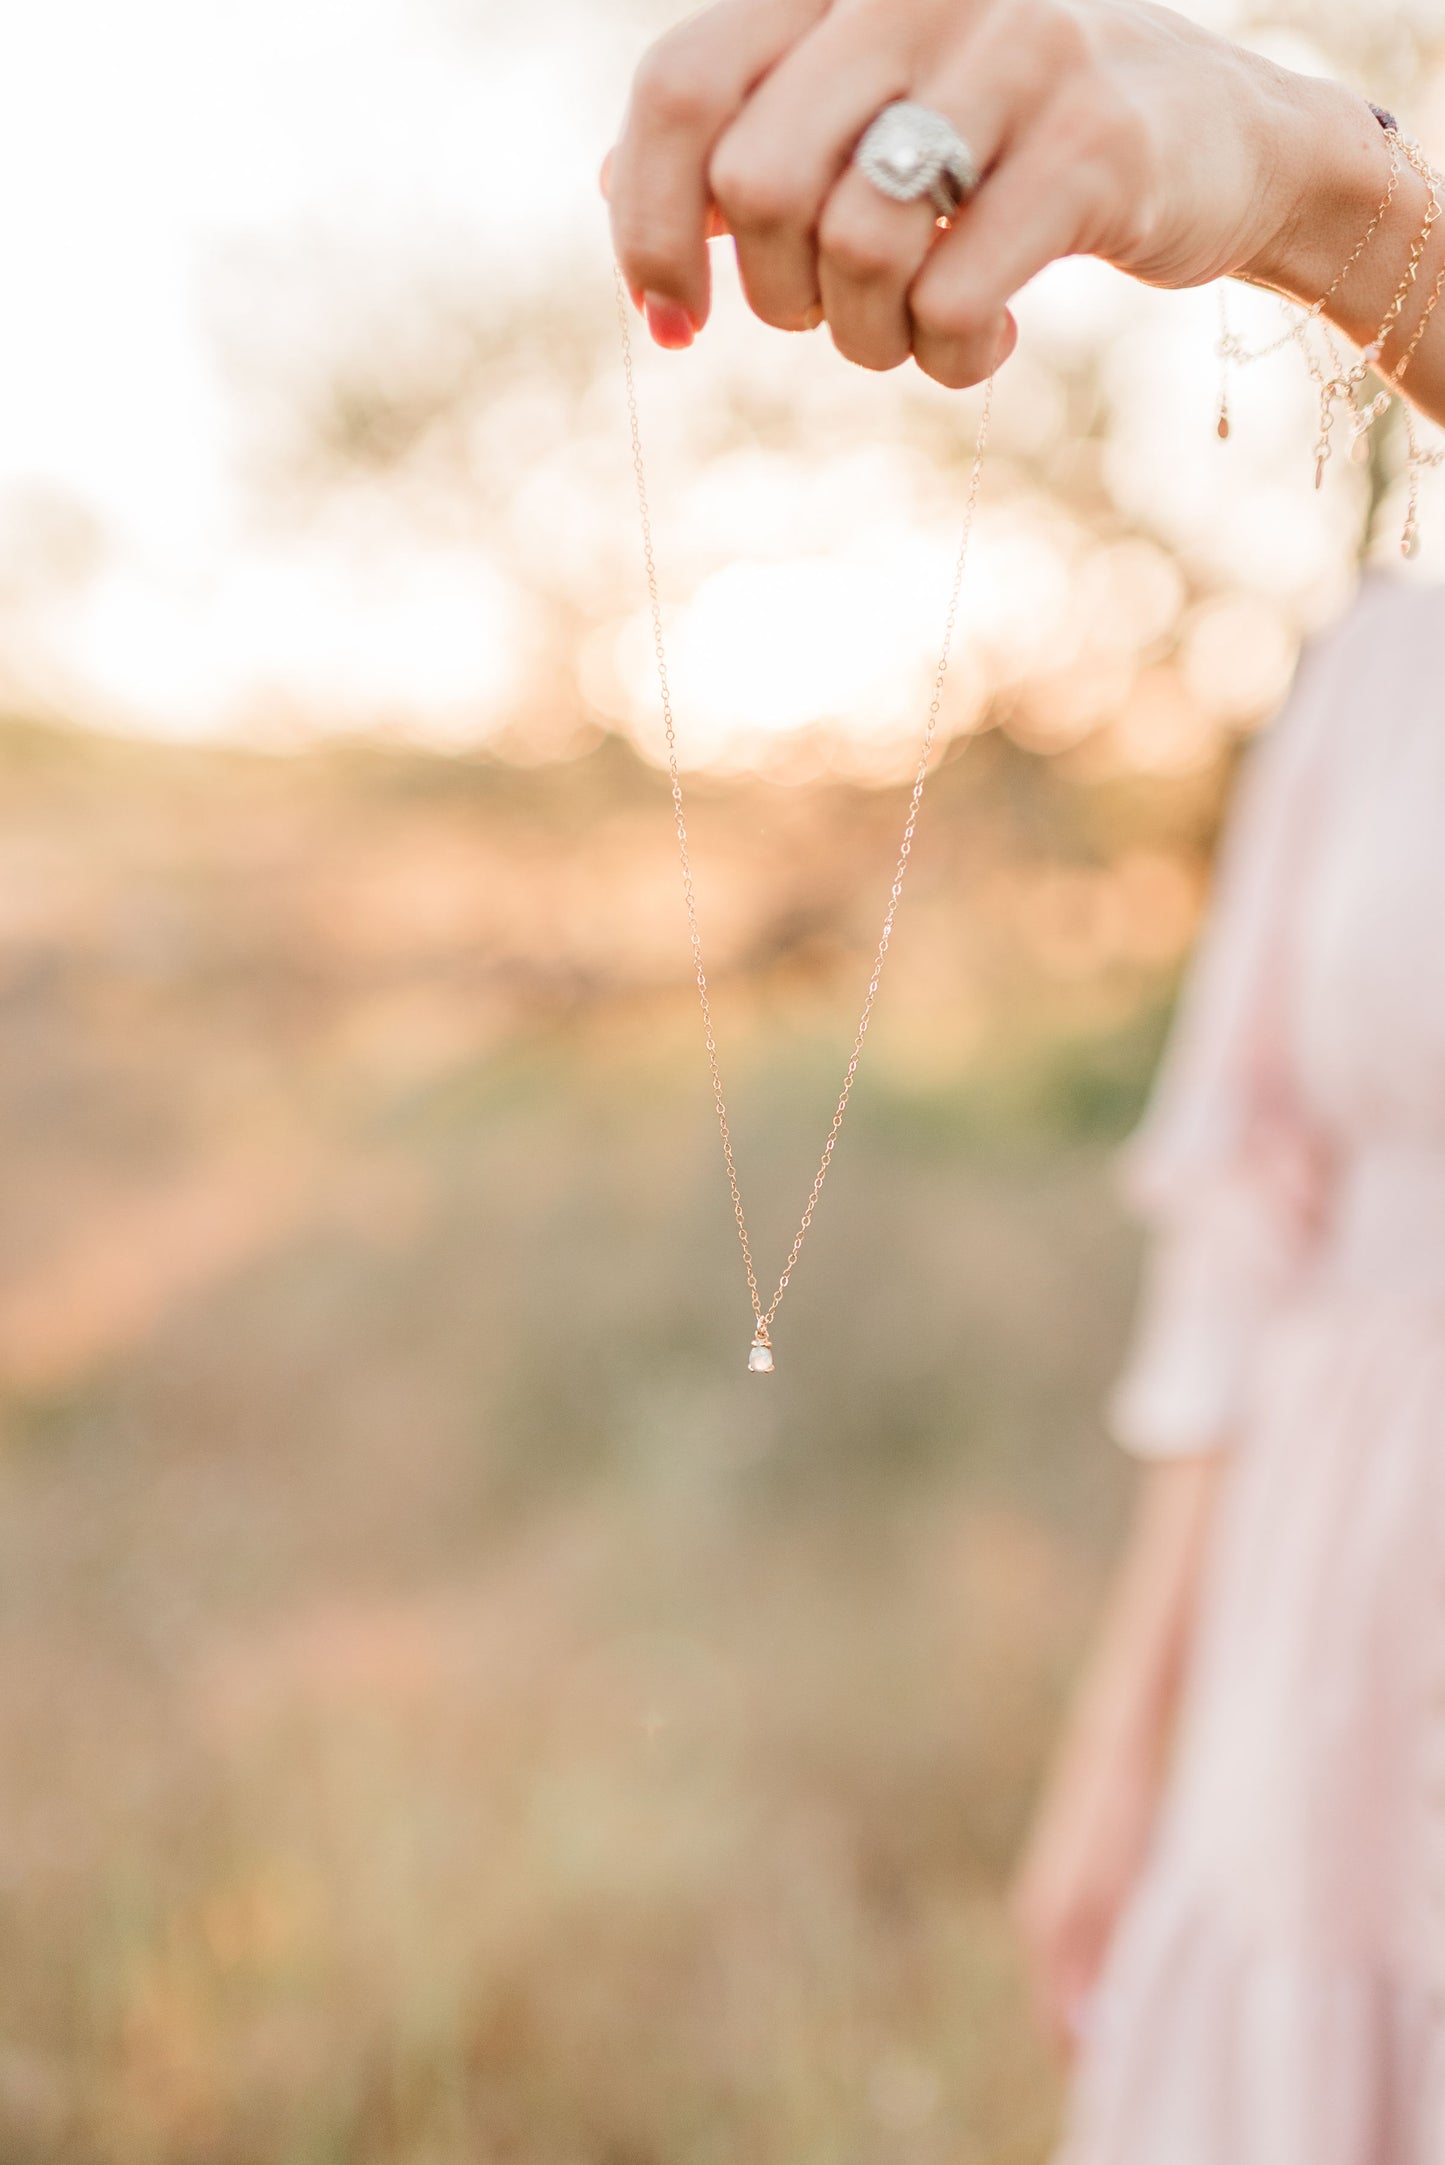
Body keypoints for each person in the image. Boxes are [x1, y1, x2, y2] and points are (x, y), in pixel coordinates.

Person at [609, 6, 1445, 2158]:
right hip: (1320, 1693)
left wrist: (1309, 176)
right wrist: (1118, 1748)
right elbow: (1260, 1218)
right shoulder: (1375, 674)